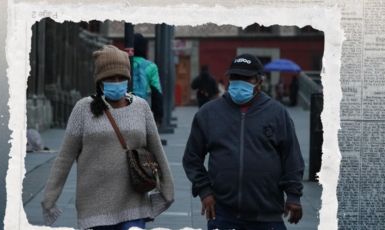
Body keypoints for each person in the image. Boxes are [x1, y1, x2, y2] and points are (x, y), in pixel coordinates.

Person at [41, 45, 174, 230]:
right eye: (111, 78)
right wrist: (50, 198)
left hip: (134, 204)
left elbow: (157, 151)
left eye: (121, 78)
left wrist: (167, 192)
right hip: (94, 208)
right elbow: (64, 157)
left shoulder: (141, 107)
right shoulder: (83, 109)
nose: (117, 82)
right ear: (100, 81)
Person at [182, 54, 304, 230]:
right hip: (223, 215)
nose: (239, 82)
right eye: (234, 77)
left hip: (267, 217)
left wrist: (293, 196)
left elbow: (291, 157)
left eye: (246, 78)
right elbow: (192, 158)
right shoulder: (208, 113)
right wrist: (204, 191)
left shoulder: (277, 113)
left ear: (259, 81)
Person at [132, 33, 163, 127]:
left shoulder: (124, 63)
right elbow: (156, 92)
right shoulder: (151, 66)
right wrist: (158, 116)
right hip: (142, 108)